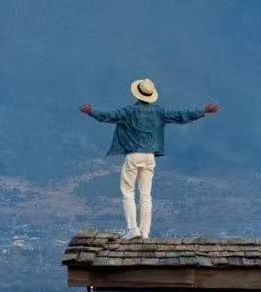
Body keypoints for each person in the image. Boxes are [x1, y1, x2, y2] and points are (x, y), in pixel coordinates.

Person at [80, 79, 219, 237]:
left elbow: (110, 116)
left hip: (134, 155)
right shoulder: (159, 112)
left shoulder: (130, 111)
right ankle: (145, 233)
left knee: (128, 192)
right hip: (150, 156)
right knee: (146, 194)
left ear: (137, 94)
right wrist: (202, 111)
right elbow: (181, 116)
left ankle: (132, 229)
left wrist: (92, 112)